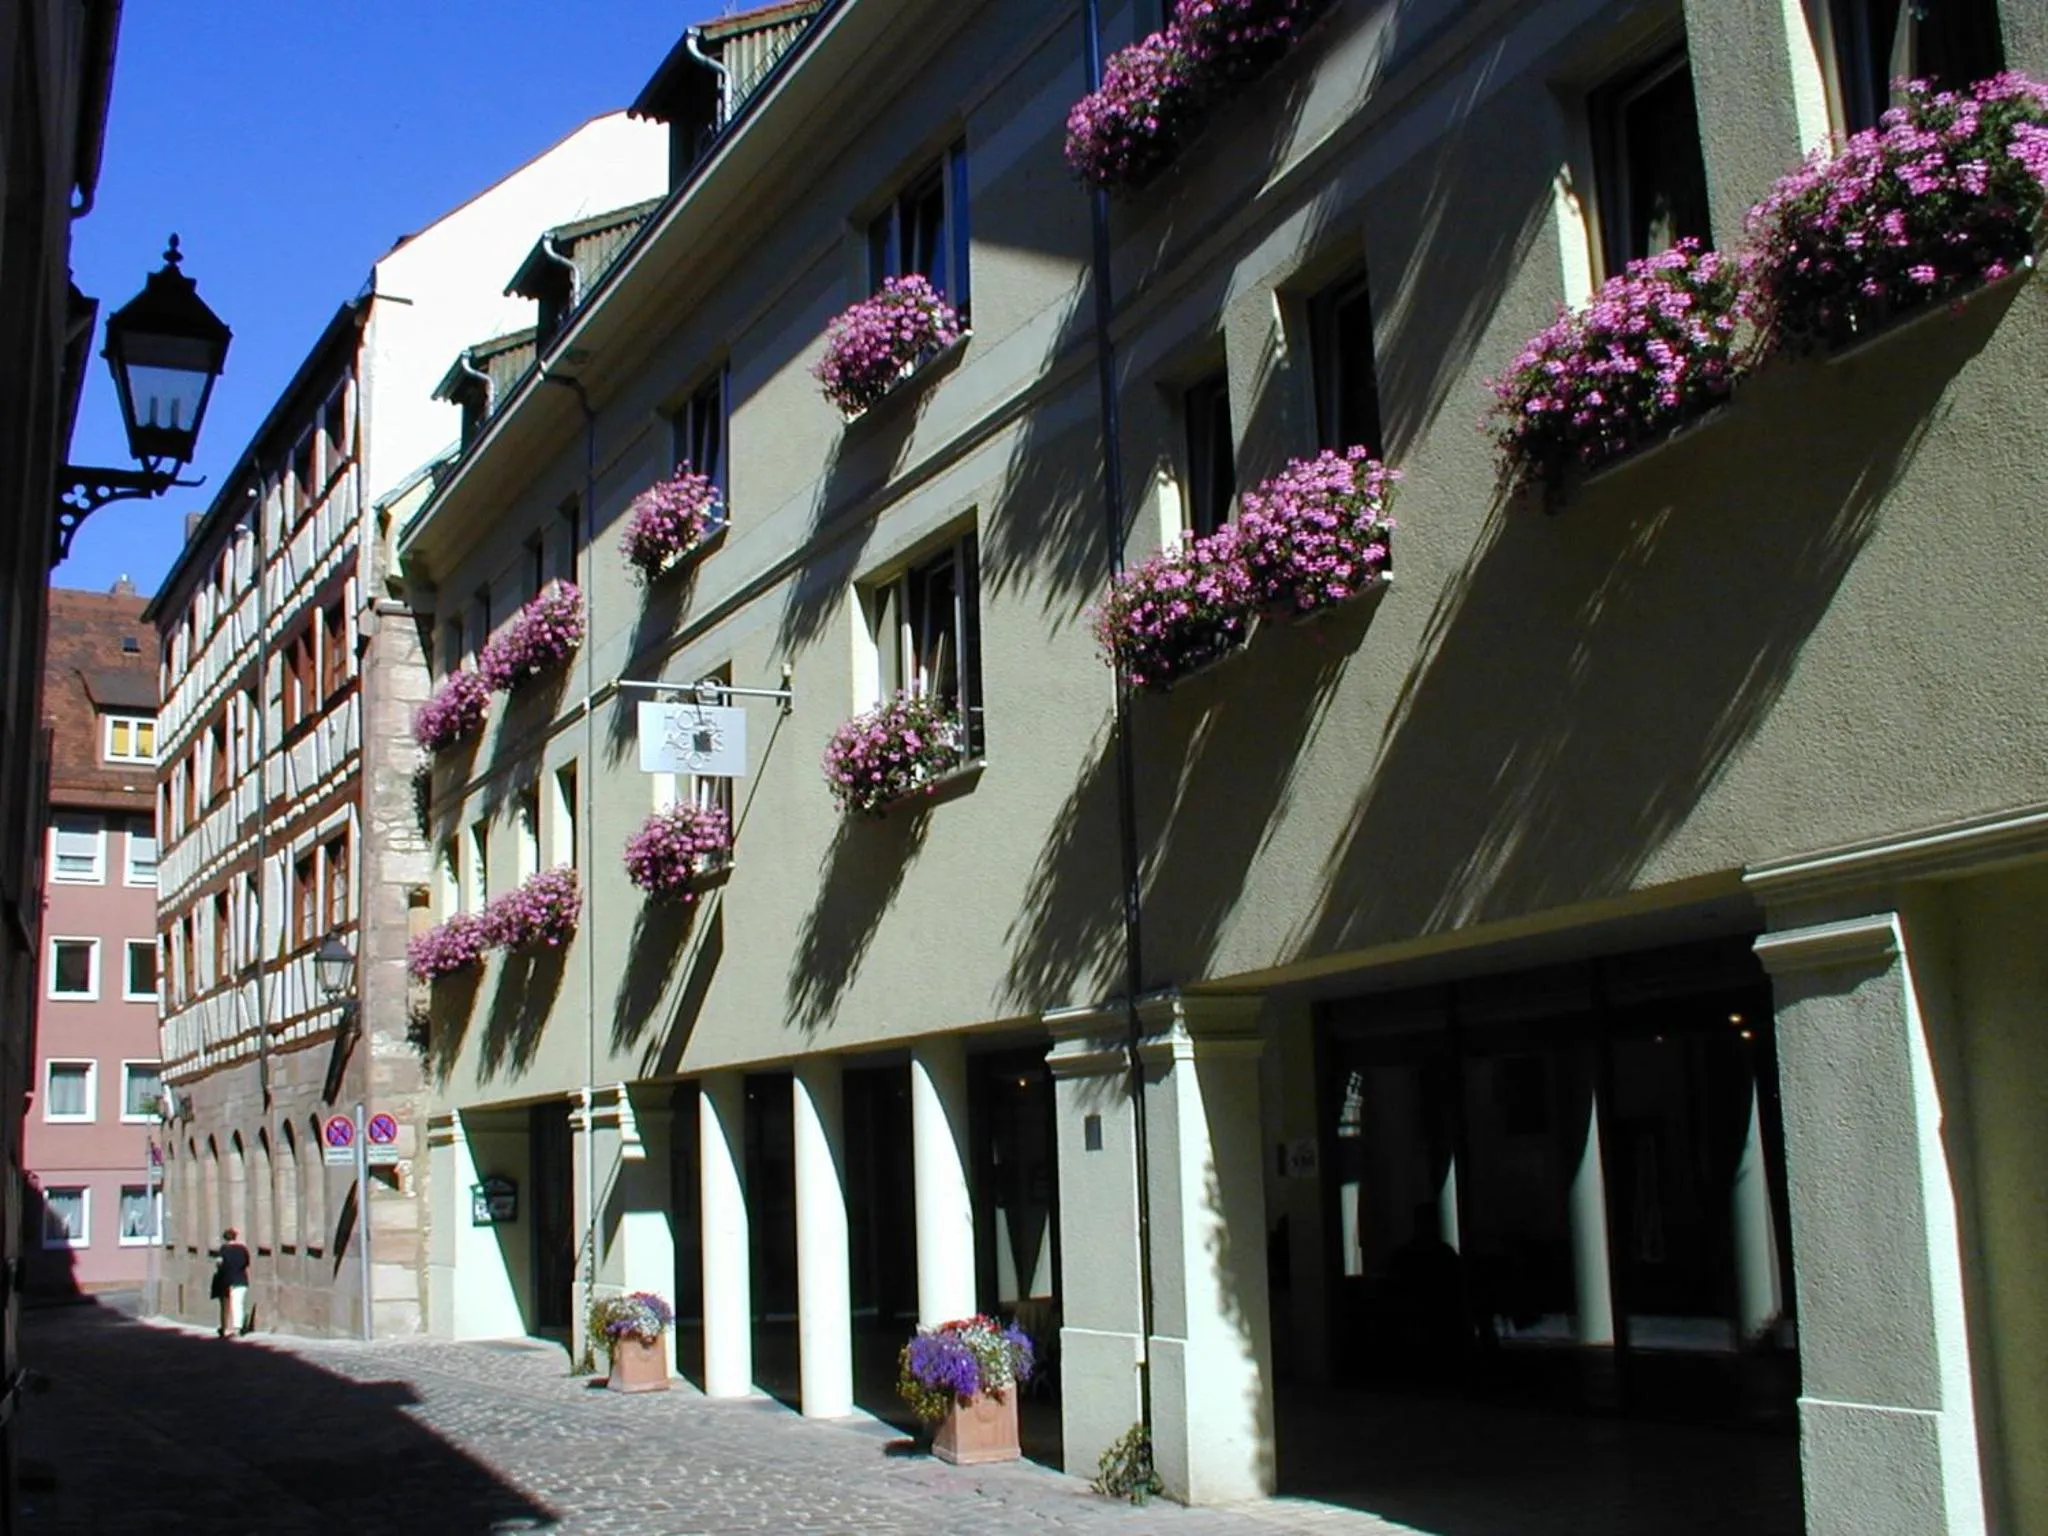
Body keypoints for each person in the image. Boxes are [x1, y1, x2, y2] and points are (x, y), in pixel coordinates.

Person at [210, 1228, 252, 1338]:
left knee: (227, 1305)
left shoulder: (224, 1249)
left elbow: (219, 1263)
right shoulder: (243, 1249)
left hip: (227, 1281)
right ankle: (238, 1328)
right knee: (238, 1304)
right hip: (241, 1280)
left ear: (225, 1238)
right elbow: (247, 1263)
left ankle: (227, 1328)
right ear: (235, 1237)